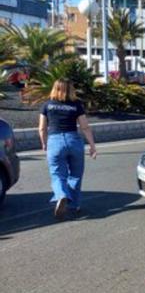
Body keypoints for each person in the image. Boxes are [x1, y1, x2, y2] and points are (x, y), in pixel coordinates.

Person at [38, 79, 97, 221]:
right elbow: (85, 127)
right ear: (70, 89)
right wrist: (92, 145)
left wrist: (44, 143)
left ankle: (61, 195)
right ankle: (74, 205)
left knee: (57, 173)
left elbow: (41, 128)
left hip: (55, 141)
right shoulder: (76, 105)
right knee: (76, 175)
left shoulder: (47, 105)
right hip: (74, 141)